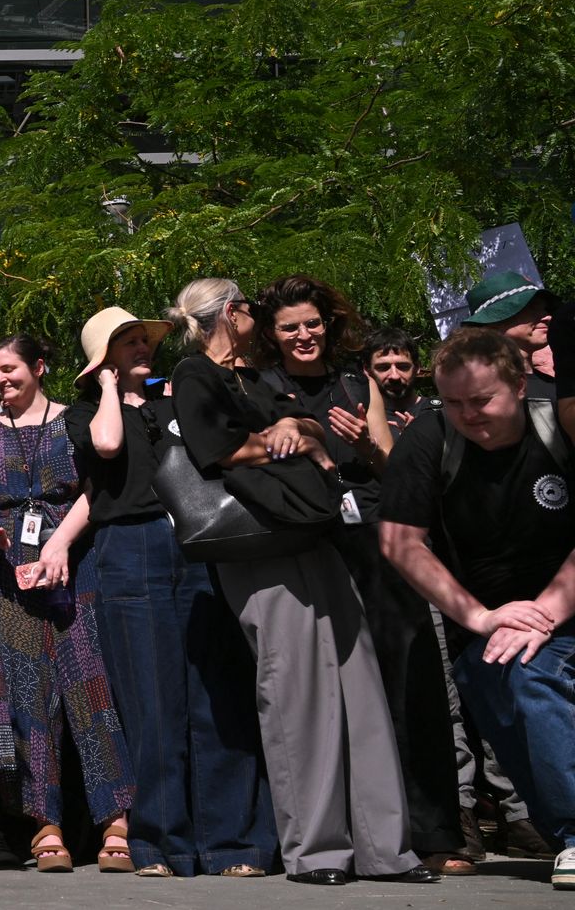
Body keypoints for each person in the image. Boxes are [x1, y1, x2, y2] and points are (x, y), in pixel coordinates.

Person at [165, 277, 431, 886]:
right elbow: (215, 450)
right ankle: (316, 851)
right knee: (297, 695)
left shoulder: (251, 377)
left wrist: (301, 434)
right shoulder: (194, 373)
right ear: (230, 313)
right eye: (248, 310)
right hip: (258, 543)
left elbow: (309, 429)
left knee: (357, 682)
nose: (257, 318)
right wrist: (285, 440)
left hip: (312, 533)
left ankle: (386, 848)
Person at [251, 275, 465, 872]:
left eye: (312, 323)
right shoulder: (260, 385)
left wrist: (365, 446)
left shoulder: (356, 379)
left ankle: (435, 834)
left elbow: (394, 467)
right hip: (305, 545)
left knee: (409, 683)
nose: (303, 335)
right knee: (321, 695)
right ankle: (336, 839)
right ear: (272, 333)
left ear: (330, 324)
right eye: (289, 326)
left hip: (375, 539)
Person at [64, 306, 275, 877]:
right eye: (126, 342)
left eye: (143, 339)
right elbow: (107, 447)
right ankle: (161, 845)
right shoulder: (85, 412)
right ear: (102, 358)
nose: (141, 348)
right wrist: (109, 384)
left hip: (197, 540)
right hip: (128, 550)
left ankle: (233, 844)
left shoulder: (175, 397)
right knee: (152, 703)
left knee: (217, 695)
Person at [379, 327, 575, 891]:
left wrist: (541, 614)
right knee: (495, 686)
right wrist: (484, 618)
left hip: (557, 606)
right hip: (487, 624)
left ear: (519, 384)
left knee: (533, 673)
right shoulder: (432, 436)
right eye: (455, 401)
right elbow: (399, 542)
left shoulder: (558, 422)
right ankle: (560, 829)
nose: (469, 414)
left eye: (482, 400)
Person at [0, 334, 134, 874]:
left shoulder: (72, 420)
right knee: (26, 694)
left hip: (74, 561)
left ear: (38, 367)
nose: (0, 381)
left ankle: (116, 819)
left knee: (90, 685)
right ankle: (44, 822)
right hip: (7, 569)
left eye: (9, 370)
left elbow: (93, 489)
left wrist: (60, 544)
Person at [463, 270, 553, 398]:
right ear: (493, 322)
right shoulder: (479, 395)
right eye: (532, 308)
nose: (548, 317)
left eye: (545, 309)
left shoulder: (557, 387)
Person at [366, 329, 436, 430]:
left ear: (417, 368)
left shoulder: (443, 414)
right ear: (367, 370)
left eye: (402, 366)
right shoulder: (359, 422)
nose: (394, 376)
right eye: (383, 367)